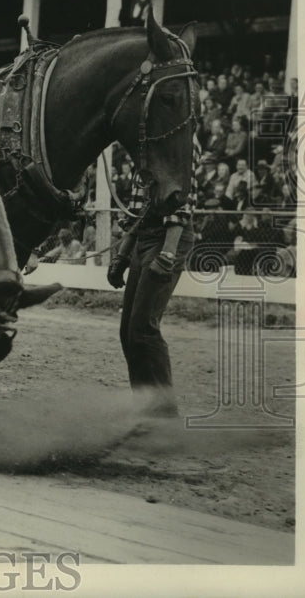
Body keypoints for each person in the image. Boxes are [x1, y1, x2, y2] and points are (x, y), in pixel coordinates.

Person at [106, 137, 200, 419]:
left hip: (169, 236)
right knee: (129, 331)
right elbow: (139, 209)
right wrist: (122, 254)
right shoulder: (146, 142)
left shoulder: (182, 139)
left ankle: (165, 416)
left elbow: (182, 198)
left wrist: (168, 253)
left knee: (143, 328)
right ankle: (146, 407)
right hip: (145, 236)